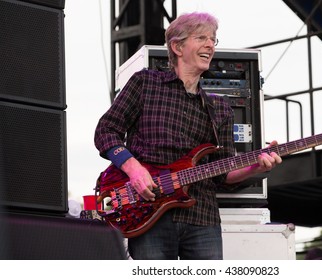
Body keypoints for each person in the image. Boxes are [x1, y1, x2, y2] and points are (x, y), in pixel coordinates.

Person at [94, 11, 282, 260]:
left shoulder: (219, 108)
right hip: (147, 211)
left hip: (202, 217)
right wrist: (135, 170)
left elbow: (222, 174)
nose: (210, 45)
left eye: (213, 39)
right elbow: (106, 130)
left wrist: (254, 167)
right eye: (201, 38)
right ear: (177, 46)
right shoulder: (145, 84)